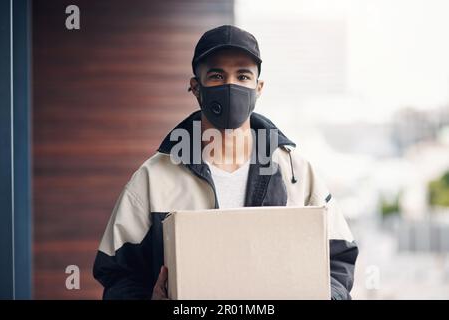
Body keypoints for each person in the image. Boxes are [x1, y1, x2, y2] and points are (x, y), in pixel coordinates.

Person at [93, 25, 359, 300]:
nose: (230, 86)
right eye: (217, 75)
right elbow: (117, 274)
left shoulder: (298, 174)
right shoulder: (153, 178)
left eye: (243, 75)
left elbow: (339, 262)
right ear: (196, 87)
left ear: (258, 88)